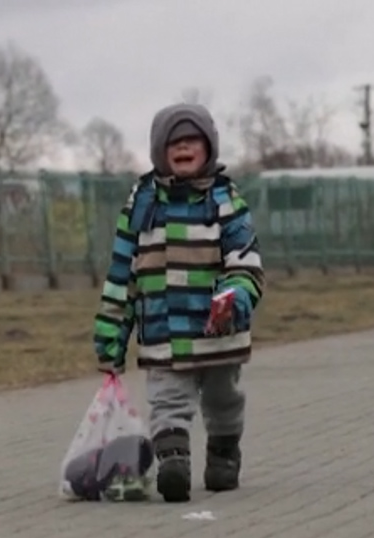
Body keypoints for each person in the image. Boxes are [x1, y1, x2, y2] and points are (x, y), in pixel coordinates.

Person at [93, 103, 266, 503]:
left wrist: (238, 295)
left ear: (209, 148)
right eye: (174, 142)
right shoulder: (141, 202)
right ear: (159, 150)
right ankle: (173, 462)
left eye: (192, 141)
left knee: (224, 398)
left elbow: (246, 260)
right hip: (162, 328)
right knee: (167, 398)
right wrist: (111, 330)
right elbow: (122, 273)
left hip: (217, 330)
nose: (183, 147)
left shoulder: (225, 199)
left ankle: (224, 452)